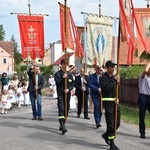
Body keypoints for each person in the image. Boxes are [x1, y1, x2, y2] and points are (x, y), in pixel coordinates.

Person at [100, 60, 120, 150]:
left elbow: (118, 89)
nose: (113, 68)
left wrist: (118, 97)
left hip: (115, 102)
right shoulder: (103, 78)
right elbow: (107, 88)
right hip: (108, 103)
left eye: (114, 67)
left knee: (117, 123)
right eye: (111, 67)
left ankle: (106, 135)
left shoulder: (115, 78)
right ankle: (112, 144)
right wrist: (114, 80)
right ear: (107, 68)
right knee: (111, 124)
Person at [54, 59, 74, 134]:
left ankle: (63, 123)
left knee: (66, 109)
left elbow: (72, 84)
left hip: (67, 94)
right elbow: (58, 83)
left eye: (67, 64)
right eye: (64, 64)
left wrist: (69, 89)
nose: (66, 66)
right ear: (61, 65)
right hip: (60, 94)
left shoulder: (69, 74)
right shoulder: (57, 74)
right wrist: (63, 78)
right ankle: (62, 125)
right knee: (61, 109)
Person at [138, 62, 150, 139]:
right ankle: (142, 132)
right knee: (142, 115)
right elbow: (145, 71)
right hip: (143, 96)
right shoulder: (142, 76)